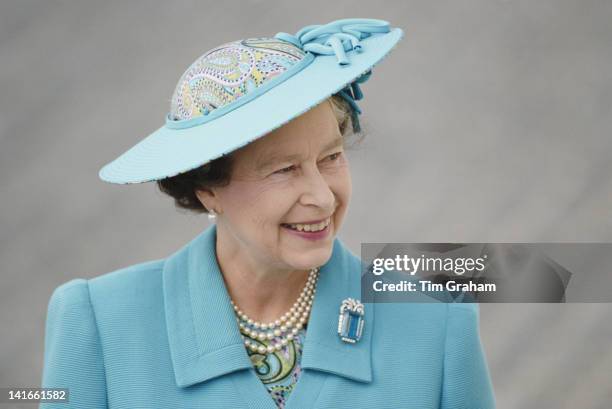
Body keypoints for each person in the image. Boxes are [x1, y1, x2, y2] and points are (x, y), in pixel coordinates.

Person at [40, 18, 496, 408]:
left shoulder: (438, 319)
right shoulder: (97, 323)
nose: (322, 196)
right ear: (206, 190)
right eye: (283, 170)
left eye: (331, 157)